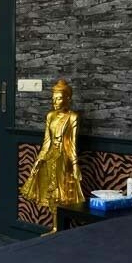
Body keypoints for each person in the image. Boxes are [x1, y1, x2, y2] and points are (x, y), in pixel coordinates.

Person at [20, 79, 84, 231]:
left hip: (64, 158)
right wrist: (39, 160)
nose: (55, 102)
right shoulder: (50, 116)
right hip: (50, 156)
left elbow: (72, 144)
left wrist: (75, 164)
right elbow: (46, 141)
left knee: (63, 193)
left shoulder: (73, 117)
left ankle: (61, 228)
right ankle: (55, 227)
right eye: (53, 98)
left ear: (68, 99)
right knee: (51, 192)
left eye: (59, 98)